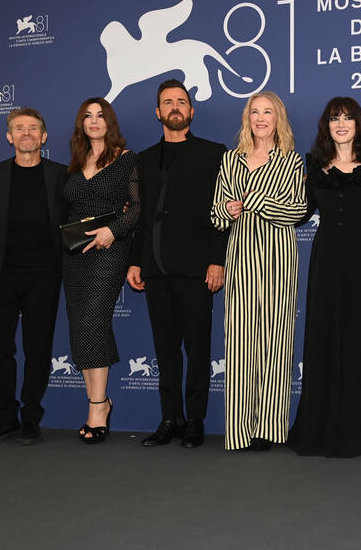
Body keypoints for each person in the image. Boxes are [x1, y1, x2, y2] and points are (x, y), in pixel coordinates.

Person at [127, 79, 229, 449]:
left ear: (191, 110)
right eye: (167, 102)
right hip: (155, 268)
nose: (174, 107)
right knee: (165, 349)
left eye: (181, 102)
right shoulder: (142, 159)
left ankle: (195, 421)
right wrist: (135, 262)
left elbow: (223, 213)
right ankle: (170, 418)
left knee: (197, 347)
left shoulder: (214, 153)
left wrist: (217, 261)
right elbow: (140, 215)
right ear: (158, 112)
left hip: (197, 267)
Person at [287, 97, 361, 457]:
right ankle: (318, 429)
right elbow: (297, 213)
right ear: (326, 126)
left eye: (347, 118)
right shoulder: (312, 165)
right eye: (333, 119)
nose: (341, 124)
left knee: (359, 342)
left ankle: (352, 432)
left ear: (358, 123)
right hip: (325, 262)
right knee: (323, 341)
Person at [0, 107, 67, 446]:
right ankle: (5, 419)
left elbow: (77, 220)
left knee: (38, 349)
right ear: (10, 137)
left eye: (33, 128)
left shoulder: (61, 175)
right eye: (19, 128)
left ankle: (30, 418)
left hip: (44, 275)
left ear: (44, 137)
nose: (26, 133)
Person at [211, 91, 307, 451]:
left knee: (277, 342)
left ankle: (269, 428)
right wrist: (228, 210)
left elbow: (296, 210)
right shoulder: (230, 160)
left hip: (280, 258)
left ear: (278, 118)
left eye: (268, 112)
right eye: (255, 112)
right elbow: (216, 214)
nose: (261, 118)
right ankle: (238, 430)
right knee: (239, 343)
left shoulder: (291, 161)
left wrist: (251, 201)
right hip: (240, 256)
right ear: (247, 118)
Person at [63, 97, 140, 444]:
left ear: (110, 121)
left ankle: (98, 407)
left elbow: (139, 207)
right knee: (81, 323)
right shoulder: (76, 162)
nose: (94, 121)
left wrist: (113, 231)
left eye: (100, 115)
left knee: (93, 318)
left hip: (110, 249)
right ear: (82, 123)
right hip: (76, 253)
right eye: (88, 116)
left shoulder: (126, 160)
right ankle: (98, 402)